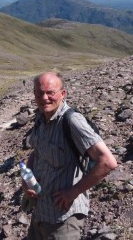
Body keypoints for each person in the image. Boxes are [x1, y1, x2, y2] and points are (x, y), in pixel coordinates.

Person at [22, 71, 117, 240]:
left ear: (62, 93)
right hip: (41, 212)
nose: (44, 98)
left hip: (63, 219)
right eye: (40, 92)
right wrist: (26, 180)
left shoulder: (72, 121)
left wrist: (73, 191)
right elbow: (36, 153)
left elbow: (108, 162)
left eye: (50, 92)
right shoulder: (41, 119)